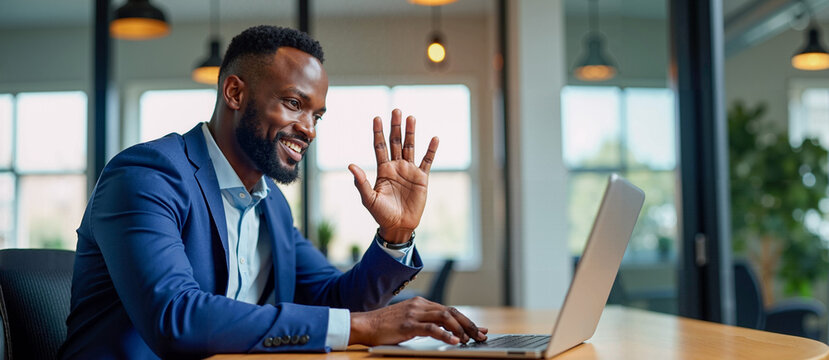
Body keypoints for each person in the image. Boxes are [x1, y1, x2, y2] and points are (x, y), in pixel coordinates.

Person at [59, 25, 487, 359]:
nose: (309, 129)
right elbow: (175, 318)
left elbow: (334, 299)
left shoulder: (271, 204)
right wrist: (363, 328)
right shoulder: (147, 176)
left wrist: (395, 235)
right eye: (294, 103)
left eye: (317, 115)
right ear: (235, 92)